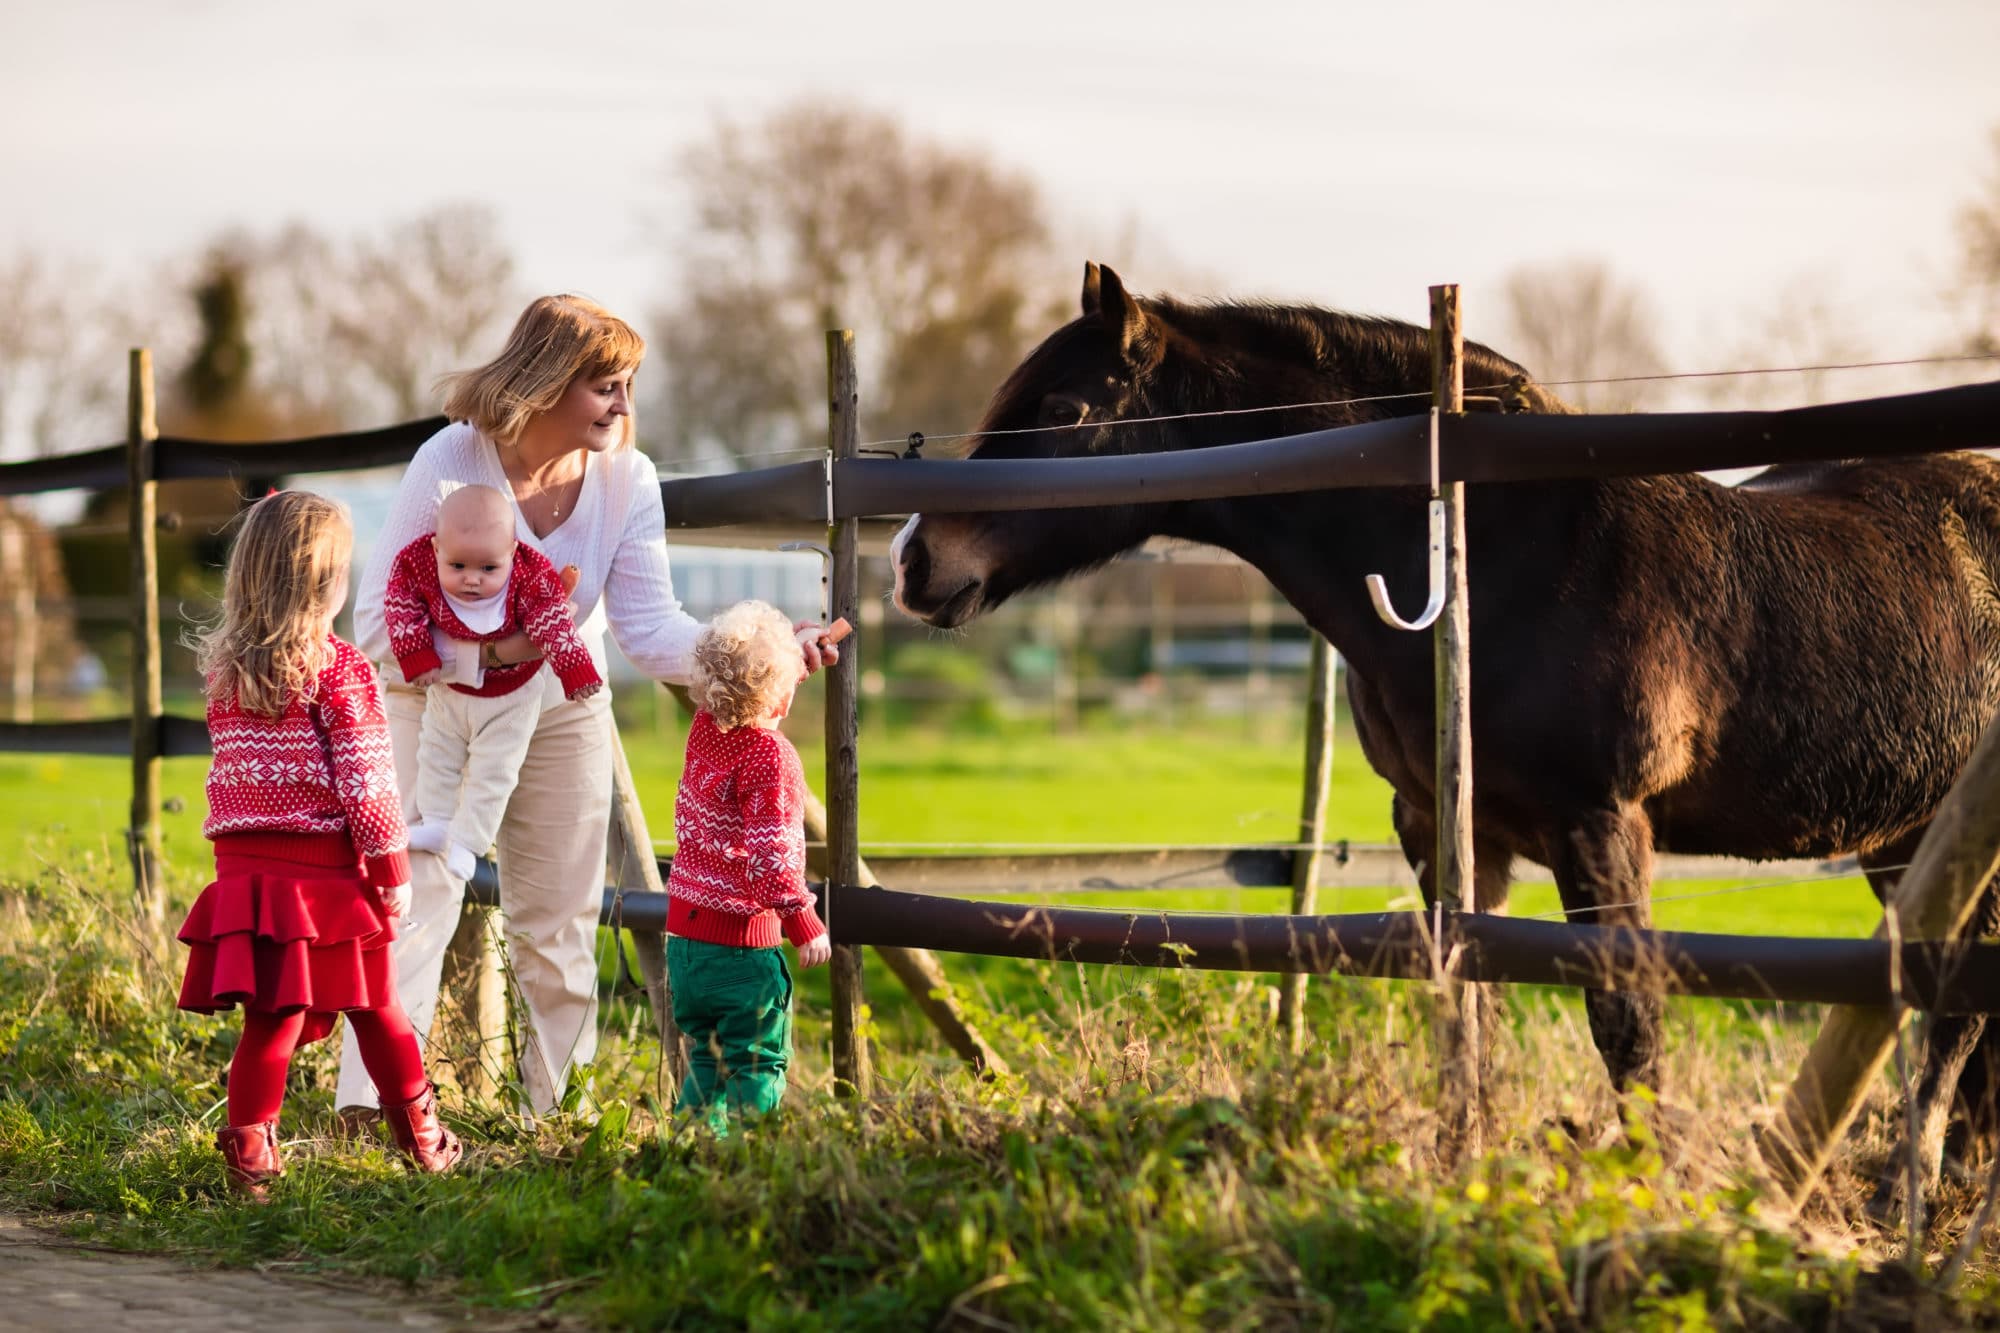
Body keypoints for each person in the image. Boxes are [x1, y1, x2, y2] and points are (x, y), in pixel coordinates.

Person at [339, 294, 839, 1121]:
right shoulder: (452, 462)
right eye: (606, 384)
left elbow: (648, 629)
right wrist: (493, 654)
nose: (623, 403)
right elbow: (370, 627)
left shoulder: (626, 479)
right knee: (416, 896)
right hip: (429, 696)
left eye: (629, 383)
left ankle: (555, 1115)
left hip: (559, 703)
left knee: (559, 919)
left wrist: (775, 646)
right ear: (544, 382)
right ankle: (377, 1110)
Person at [179, 491, 462, 1200]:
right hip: (325, 881)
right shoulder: (339, 669)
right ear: (322, 584)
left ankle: (250, 1159)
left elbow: (234, 779)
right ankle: (424, 1142)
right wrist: (391, 868)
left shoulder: (227, 673)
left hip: (248, 879)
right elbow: (369, 782)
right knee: (378, 1010)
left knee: (269, 1024)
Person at [664, 600, 833, 1130]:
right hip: (740, 946)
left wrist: (792, 663)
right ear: (779, 694)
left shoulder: (704, 727)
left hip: (686, 947)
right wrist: (803, 922)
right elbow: (770, 858)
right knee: (755, 1063)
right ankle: (751, 1166)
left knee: (706, 1063)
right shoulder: (772, 757)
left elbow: (751, 690)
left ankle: (685, 1157)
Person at [382, 483, 601, 889]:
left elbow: (552, 624)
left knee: (494, 771)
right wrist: (418, 655)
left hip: (511, 697)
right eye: (458, 566)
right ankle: (437, 822)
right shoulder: (417, 567)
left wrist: (574, 670)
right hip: (451, 691)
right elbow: (400, 607)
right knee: (436, 753)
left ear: (513, 553)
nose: (472, 580)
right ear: (436, 549)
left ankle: (468, 841)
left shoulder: (530, 577)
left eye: (488, 569)